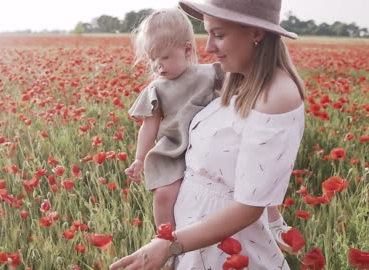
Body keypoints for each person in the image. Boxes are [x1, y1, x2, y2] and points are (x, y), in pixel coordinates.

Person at [111, 0, 305, 269]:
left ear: (256, 33)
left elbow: (250, 206)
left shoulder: (276, 97)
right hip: (195, 241)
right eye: (208, 33)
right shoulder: (238, 80)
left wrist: (170, 245)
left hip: (227, 247)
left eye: (219, 35)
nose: (208, 47)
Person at [124, 8, 224, 230]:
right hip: (173, 150)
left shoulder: (208, 75)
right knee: (164, 195)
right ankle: (166, 240)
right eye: (152, 59)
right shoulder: (156, 89)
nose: (157, 65)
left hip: (209, 146)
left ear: (187, 49)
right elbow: (149, 126)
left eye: (165, 57)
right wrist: (140, 158)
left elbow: (239, 92)